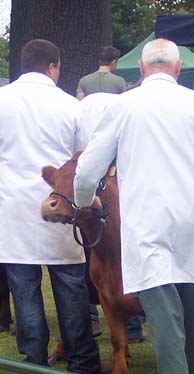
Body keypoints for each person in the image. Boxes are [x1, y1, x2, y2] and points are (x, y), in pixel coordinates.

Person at [74, 39, 194, 374]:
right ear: (179, 67)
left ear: (143, 69)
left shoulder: (124, 105)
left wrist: (85, 202)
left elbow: (86, 171)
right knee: (188, 309)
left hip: (147, 222)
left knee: (164, 312)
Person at [0, 39, 103, 374]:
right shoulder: (71, 105)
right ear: (53, 67)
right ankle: (82, 359)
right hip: (59, 204)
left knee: (23, 285)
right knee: (69, 283)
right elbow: (89, 153)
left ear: (24, 65)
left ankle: (34, 359)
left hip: (15, 205)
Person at [78, 92, 145, 343]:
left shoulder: (87, 107)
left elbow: (86, 163)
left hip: (103, 194)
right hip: (130, 196)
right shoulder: (126, 107)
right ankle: (134, 326)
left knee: (98, 261)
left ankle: (94, 317)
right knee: (128, 261)